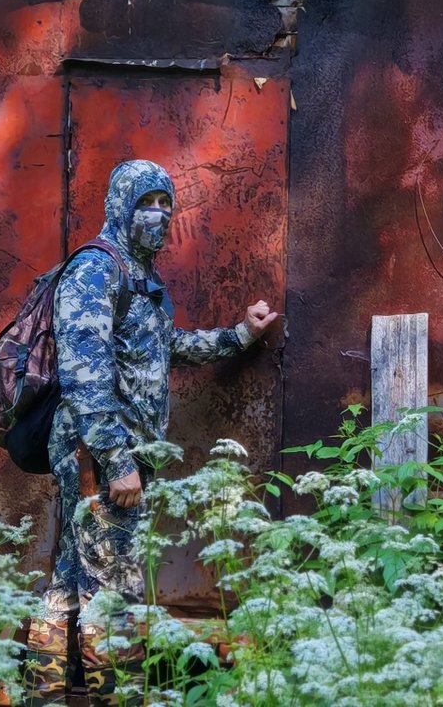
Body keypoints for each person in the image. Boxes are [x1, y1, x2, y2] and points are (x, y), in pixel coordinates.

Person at [25, 159, 279, 700]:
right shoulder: (97, 269)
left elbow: (163, 349)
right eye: (146, 203)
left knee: (69, 586)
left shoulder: (139, 275)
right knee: (113, 594)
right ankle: (120, 696)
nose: (159, 214)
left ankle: (43, 697)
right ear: (121, 205)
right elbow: (84, 371)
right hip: (100, 459)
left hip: (113, 456)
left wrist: (240, 335)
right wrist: (118, 461)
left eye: (166, 204)